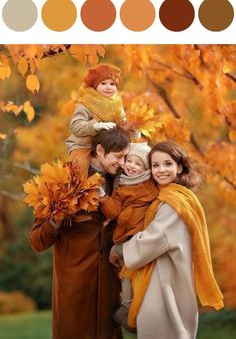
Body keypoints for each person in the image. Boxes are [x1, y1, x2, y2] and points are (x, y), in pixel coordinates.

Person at [110, 140, 224, 339]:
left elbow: (153, 239)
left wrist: (119, 250)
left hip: (165, 285)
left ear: (179, 167)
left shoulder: (174, 202)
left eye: (167, 164)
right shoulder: (168, 196)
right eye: (155, 165)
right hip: (166, 278)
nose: (161, 170)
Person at [29, 126, 130, 339]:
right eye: (119, 157)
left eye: (126, 157)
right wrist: (56, 220)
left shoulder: (122, 181)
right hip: (74, 291)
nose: (123, 163)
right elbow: (36, 242)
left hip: (110, 289)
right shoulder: (63, 179)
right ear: (100, 150)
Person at [99, 142, 158, 330]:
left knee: (132, 273)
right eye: (129, 161)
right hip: (125, 236)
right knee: (125, 274)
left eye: (138, 163)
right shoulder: (122, 185)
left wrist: (126, 214)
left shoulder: (149, 186)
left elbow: (149, 204)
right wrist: (102, 197)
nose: (132, 166)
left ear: (145, 169)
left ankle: (131, 308)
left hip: (137, 236)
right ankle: (127, 306)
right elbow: (114, 211)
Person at [66, 63, 126, 178]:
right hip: (84, 144)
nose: (108, 87)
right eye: (103, 83)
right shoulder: (86, 103)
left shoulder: (117, 103)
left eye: (112, 84)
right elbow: (75, 126)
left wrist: (130, 128)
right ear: (95, 86)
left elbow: (121, 121)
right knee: (80, 169)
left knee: (128, 159)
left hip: (108, 143)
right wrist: (95, 126)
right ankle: (79, 190)